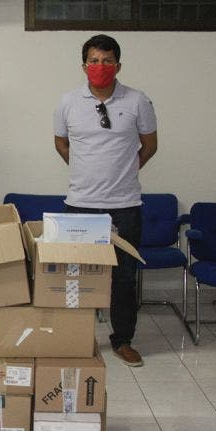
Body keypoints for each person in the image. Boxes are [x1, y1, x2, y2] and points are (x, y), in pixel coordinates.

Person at [53, 34, 158, 367]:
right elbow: (61, 144)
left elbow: (150, 145)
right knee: (77, 277)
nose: (101, 66)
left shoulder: (138, 101)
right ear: (84, 66)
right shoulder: (68, 101)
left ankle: (123, 340)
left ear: (118, 65)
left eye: (107, 61)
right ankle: (78, 338)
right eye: (94, 61)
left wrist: (123, 172)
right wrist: (87, 172)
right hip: (80, 204)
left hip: (125, 205)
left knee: (124, 277)